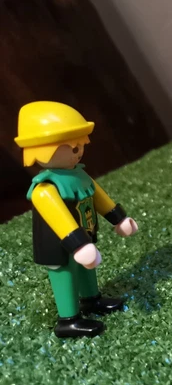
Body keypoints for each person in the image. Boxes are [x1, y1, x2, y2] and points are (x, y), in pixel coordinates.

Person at [14, 101, 138, 338]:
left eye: (81, 146)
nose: (79, 152)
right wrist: (79, 244)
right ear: (44, 151)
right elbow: (60, 219)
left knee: (87, 269)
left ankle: (91, 300)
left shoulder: (79, 175)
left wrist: (119, 219)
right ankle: (68, 320)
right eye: (72, 148)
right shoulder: (44, 189)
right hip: (57, 246)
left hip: (84, 236)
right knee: (66, 274)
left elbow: (99, 198)